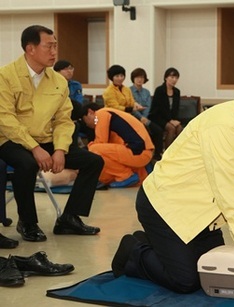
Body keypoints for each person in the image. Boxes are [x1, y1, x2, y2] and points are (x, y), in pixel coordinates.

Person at [110, 89, 234, 293]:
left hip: (204, 215)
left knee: (212, 271)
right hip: (166, 206)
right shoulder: (225, 124)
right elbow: (229, 185)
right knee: (186, 281)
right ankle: (133, 250)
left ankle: (152, 241)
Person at [0, 25, 104, 242]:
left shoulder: (58, 81)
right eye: (49, 46)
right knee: (26, 164)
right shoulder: (6, 76)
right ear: (30, 49)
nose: (54, 52)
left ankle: (69, 218)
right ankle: (27, 222)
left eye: (55, 46)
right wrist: (34, 148)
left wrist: (60, 149)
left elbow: (64, 120)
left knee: (93, 161)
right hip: (11, 140)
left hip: (46, 140)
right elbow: (6, 120)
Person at [81, 103, 154, 187]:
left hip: (139, 152)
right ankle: (129, 175)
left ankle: (126, 176)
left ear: (90, 112)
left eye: (85, 120)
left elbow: (100, 142)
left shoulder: (100, 114)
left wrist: (84, 150)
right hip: (141, 153)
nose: (87, 124)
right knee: (102, 158)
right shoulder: (112, 118)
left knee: (94, 149)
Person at [129, 68, 164, 161]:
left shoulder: (146, 92)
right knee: (143, 131)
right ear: (133, 78)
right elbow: (131, 106)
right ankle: (142, 156)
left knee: (158, 130)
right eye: (137, 77)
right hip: (133, 118)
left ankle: (157, 155)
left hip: (146, 118)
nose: (140, 79)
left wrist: (144, 117)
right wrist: (140, 118)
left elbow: (148, 106)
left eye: (142, 77)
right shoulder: (128, 91)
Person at [148, 67, 183, 149]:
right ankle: (167, 153)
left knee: (179, 128)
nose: (174, 80)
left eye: (176, 78)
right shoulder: (159, 90)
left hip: (171, 118)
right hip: (158, 117)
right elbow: (160, 109)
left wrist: (174, 120)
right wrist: (170, 120)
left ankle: (177, 151)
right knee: (171, 128)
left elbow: (176, 108)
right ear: (166, 78)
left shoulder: (177, 91)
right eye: (172, 77)